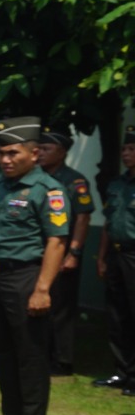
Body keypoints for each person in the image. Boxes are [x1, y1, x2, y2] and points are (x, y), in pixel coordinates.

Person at [0, 118, 68, 415]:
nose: (6, 159)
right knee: (4, 355)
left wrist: (43, 288)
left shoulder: (48, 190)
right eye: (2, 153)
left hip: (27, 278)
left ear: (34, 154)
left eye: (14, 153)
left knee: (30, 356)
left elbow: (57, 241)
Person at [37, 127, 94, 376]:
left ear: (61, 152)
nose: (39, 153)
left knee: (61, 306)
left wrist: (74, 253)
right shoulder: (37, 178)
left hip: (63, 249)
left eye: (46, 149)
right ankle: (42, 353)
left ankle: (62, 359)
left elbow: (82, 218)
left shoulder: (74, 180)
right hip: (40, 249)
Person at [94, 126, 135, 398]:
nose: (126, 154)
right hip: (117, 255)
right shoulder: (117, 185)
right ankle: (122, 370)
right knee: (117, 315)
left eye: (132, 149)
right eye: (124, 149)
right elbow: (108, 224)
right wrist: (101, 256)